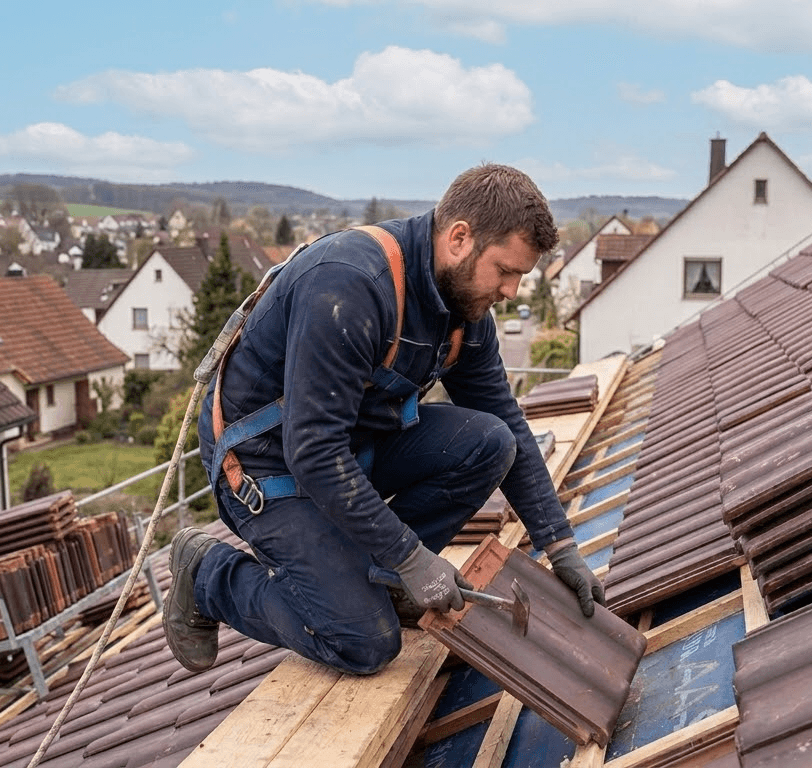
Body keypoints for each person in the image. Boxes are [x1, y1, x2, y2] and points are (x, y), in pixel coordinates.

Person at [165, 164, 604, 676]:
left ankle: (385, 585)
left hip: (349, 448)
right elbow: (312, 452)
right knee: (364, 643)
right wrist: (412, 557)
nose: (510, 291)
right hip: (266, 464)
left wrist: (561, 543)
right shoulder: (350, 285)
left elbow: (505, 418)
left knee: (492, 442)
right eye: (505, 271)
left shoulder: (464, 312)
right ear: (460, 238)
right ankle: (207, 574)